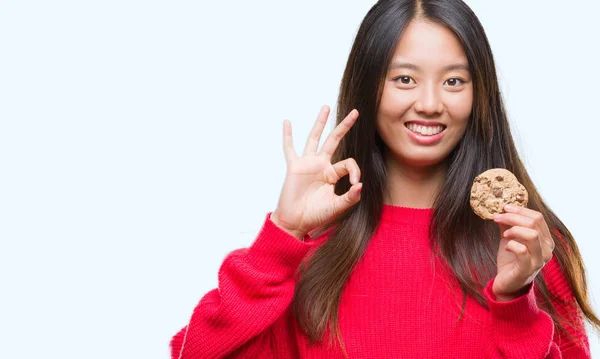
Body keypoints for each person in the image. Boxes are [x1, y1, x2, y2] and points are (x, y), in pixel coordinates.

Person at [170, 0, 599, 357]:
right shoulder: (308, 252)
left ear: (480, 93)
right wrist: (281, 236)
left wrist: (514, 305)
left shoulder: (529, 247)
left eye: (453, 81)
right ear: (368, 86)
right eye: (404, 79)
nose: (430, 103)